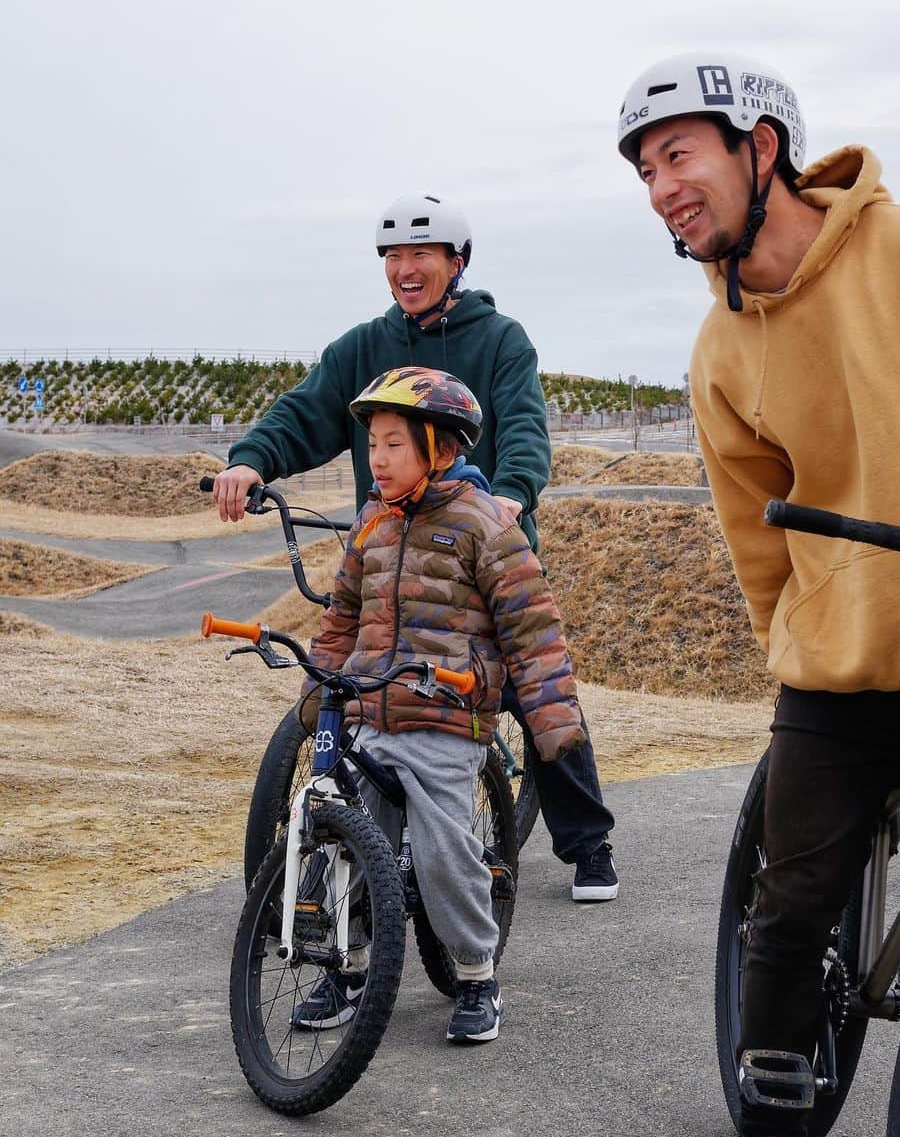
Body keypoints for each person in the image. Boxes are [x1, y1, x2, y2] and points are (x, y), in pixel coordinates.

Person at [616, 52, 900, 1137]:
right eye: (642, 168)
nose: (659, 186)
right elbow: (753, 536)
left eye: (677, 152)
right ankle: (776, 1095)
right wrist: (787, 640)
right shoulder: (720, 349)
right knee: (790, 904)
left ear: (759, 147)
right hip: (841, 662)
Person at [213, 193, 617, 902]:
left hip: (478, 552)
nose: (405, 268)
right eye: (393, 256)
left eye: (421, 255)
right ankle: (343, 863)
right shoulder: (365, 347)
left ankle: (587, 845)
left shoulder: (500, 341)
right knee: (346, 683)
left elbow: (524, 428)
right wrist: (251, 461)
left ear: (456, 262)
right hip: (389, 555)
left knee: (533, 689)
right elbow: (304, 413)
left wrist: (512, 494)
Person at [288, 367, 586, 1042]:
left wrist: (554, 725)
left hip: (447, 723)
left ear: (442, 450)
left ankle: (477, 973)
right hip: (369, 715)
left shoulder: (484, 525)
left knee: (443, 851)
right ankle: (349, 966)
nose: (379, 458)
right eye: (373, 445)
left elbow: (533, 633)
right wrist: (317, 694)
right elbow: (340, 619)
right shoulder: (372, 526)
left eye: (395, 444)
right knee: (338, 838)